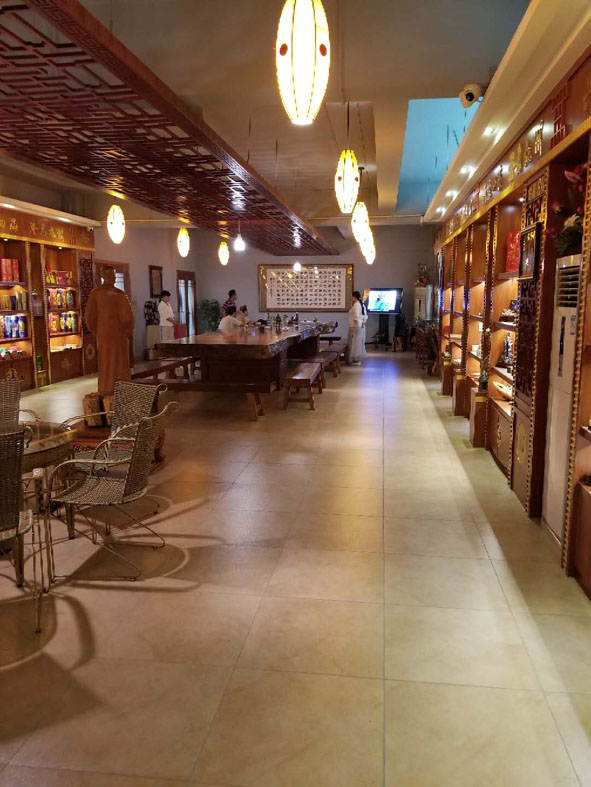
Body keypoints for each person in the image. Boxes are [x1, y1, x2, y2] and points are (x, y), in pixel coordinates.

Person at [85, 265, 135, 395]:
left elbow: (89, 319)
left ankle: (106, 388)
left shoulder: (96, 294)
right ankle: (121, 388)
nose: (112, 277)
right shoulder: (120, 294)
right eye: (111, 275)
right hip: (119, 335)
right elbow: (129, 319)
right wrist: (125, 332)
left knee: (106, 362)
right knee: (119, 362)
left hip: (105, 335)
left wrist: (99, 331)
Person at [347, 290, 366, 364]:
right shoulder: (361, 304)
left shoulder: (356, 305)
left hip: (354, 326)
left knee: (352, 343)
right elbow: (365, 316)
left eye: (352, 297)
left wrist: (356, 326)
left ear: (354, 297)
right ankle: (356, 359)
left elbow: (356, 317)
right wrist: (363, 322)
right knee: (358, 343)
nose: (351, 298)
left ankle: (353, 359)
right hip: (359, 326)